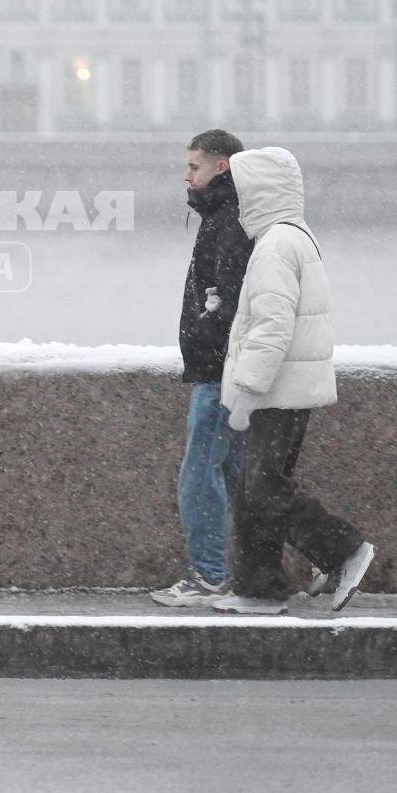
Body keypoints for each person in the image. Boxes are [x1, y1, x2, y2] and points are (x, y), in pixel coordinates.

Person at [212, 146, 375, 616]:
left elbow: (271, 327)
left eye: (242, 193)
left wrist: (245, 390)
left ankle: (343, 550)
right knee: (252, 489)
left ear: (260, 193)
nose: (238, 203)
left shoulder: (276, 245)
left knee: (261, 489)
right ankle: (258, 588)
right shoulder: (293, 236)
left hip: (275, 390)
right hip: (287, 387)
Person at [150, 130, 253, 607]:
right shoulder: (228, 216)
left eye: (195, 166)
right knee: (242, 478)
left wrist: (206, 338)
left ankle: (210, 575)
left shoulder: (228, 221)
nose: (187, 175)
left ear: (222, 167)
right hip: (225, 366)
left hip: (218, 370)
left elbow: (228, 300)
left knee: (200, 475)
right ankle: (330, 552)